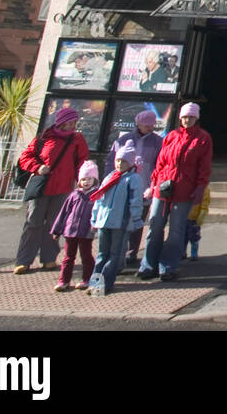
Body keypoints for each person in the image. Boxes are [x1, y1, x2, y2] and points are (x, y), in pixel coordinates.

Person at [138, 101, 212, 282]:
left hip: (184, 189)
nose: (188, 120)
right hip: (163, 187)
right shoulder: (171, 136)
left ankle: (168, 267)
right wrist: (154, 183)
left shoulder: (203, 139)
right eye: (185, 116)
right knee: (155, 226)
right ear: (180, 117)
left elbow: (204, 167)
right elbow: (161, 161)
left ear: (196, 118)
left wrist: (200, 188)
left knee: (176, 231)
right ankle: (148, 265)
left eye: (191, 117)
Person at [14, 107, 90, 274]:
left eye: (74, 123)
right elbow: (25, 157)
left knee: (54, 224)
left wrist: (82, 182)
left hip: (63, 188)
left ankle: (48, 258)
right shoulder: (43, 138)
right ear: (61, 123)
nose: (72, 126)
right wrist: (37, 167)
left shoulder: (77, 139)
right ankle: (24, 260)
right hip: (42, 187)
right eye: (69, 122)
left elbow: (82, 161)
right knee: (33, 222)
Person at [107, 109, 164, 268]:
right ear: (138, 124)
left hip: (144, 186)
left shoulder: (157, 142)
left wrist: (153, 186)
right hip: (121, 187)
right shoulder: (124, 140)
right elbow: (111, 161)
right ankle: (118, 253)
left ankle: (132, 252)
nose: (150, 128)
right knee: (121, 220)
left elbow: (159, 165)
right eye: (146, 125)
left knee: (138, 221)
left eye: (152, 125)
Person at [88, 142, 144, 296]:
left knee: (114, 254)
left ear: (131, 162)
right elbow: (99, 199)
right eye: (118, 160)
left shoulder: (133, 179)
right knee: (101, 254)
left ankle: (105, 283)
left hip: (120, 222)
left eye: (124, 161)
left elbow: (136, 200)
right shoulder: (110, 177)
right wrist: (94, 218)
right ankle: (95, 283)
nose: (120, 164)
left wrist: (136, 218)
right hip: (104, 221)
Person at [50, 160, 99, 291]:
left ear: (94, 180)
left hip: (86, 232)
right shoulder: (74, 195)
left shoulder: (96, 196)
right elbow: (64, 213)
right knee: (68, 257)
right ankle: (63, 281)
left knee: (86, 256)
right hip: (70, 231)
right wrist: (57, 230)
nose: (86, 182)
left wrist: (95, 227)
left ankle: (87, 279)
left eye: (89, 179)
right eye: (83, 179)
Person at [185, 186, 210, 260]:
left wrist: (202, 212)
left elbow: (205, 201)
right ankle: (182, 252)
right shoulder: (187, 185)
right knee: (183, 237)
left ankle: (194, 253)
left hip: (194, 217)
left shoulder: (204, 188)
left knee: (194, 237)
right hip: (184, 216)